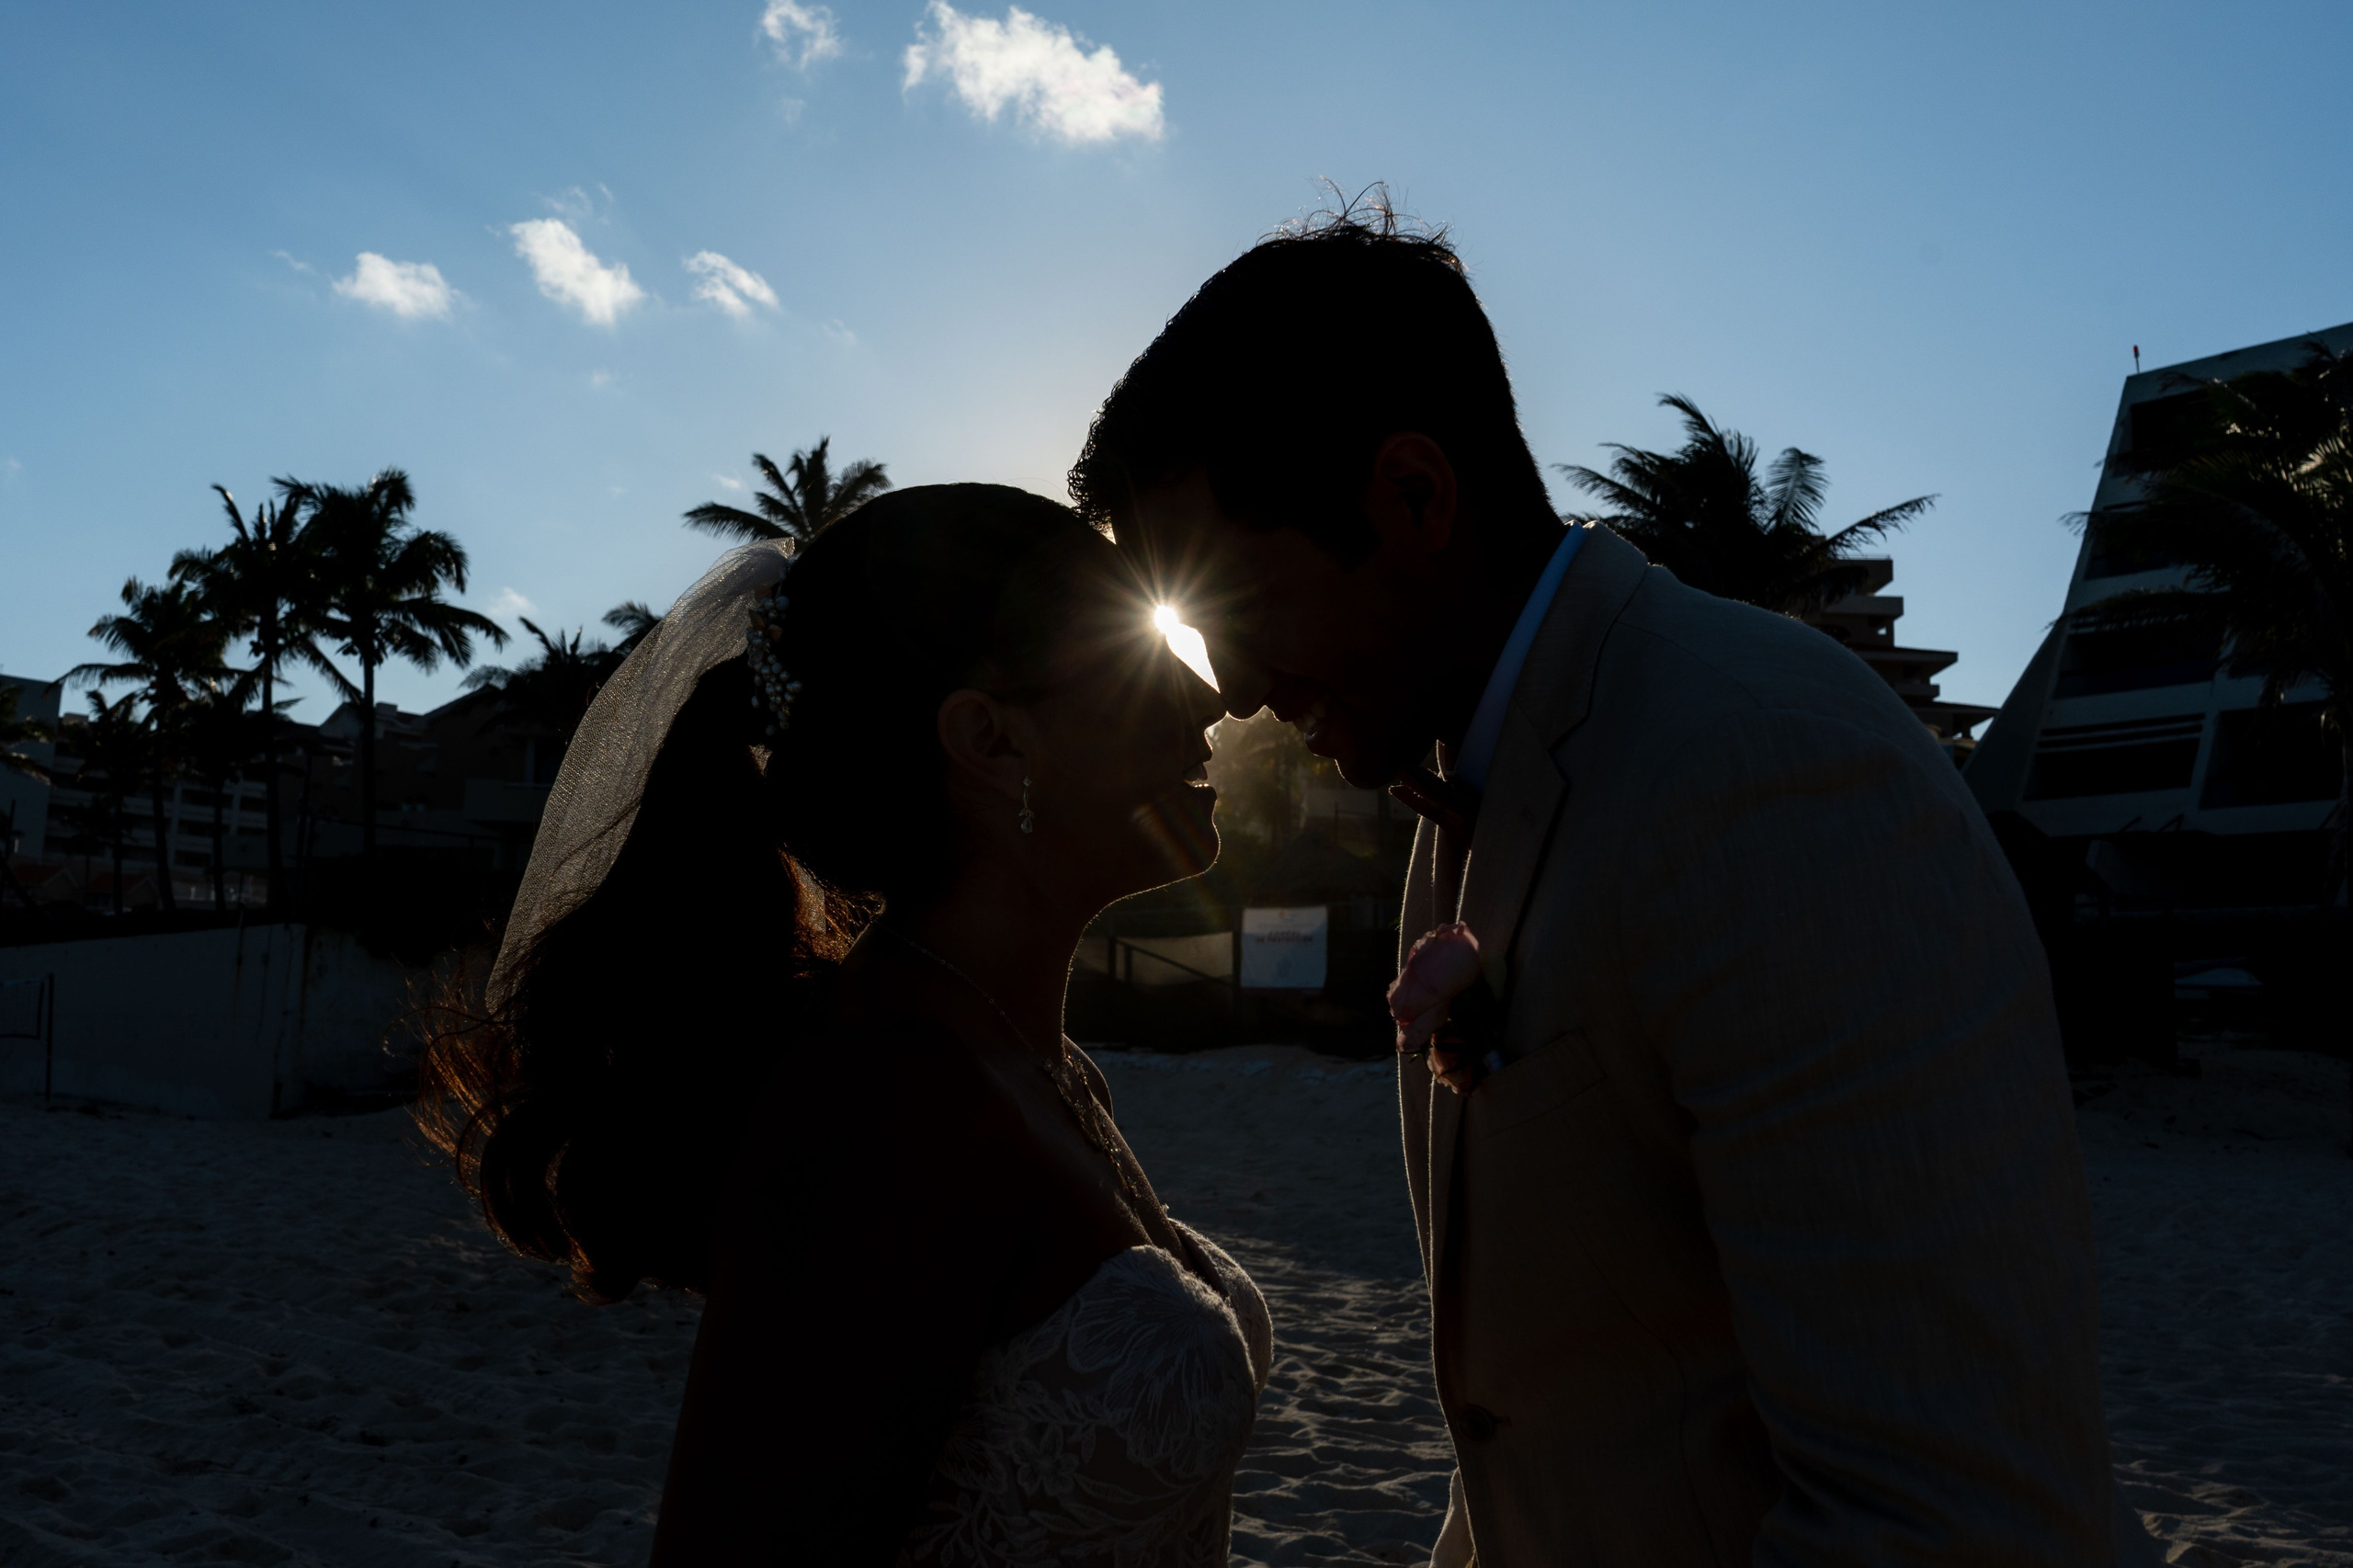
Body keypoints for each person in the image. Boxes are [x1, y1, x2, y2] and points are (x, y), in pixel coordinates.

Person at [1071, 201, 2155, 1566]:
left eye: (1234, 610)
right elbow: (1546, 1432)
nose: (1227, 690)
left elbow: (1952, 1516)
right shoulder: (1460, 788)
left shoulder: (1765, 772)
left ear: (1414, 496)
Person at [417, 484, 1267, 1566]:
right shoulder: (886, 1111)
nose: (1209, 696)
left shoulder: (1035, 1064)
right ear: (990, 740)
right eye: (1138, 647)